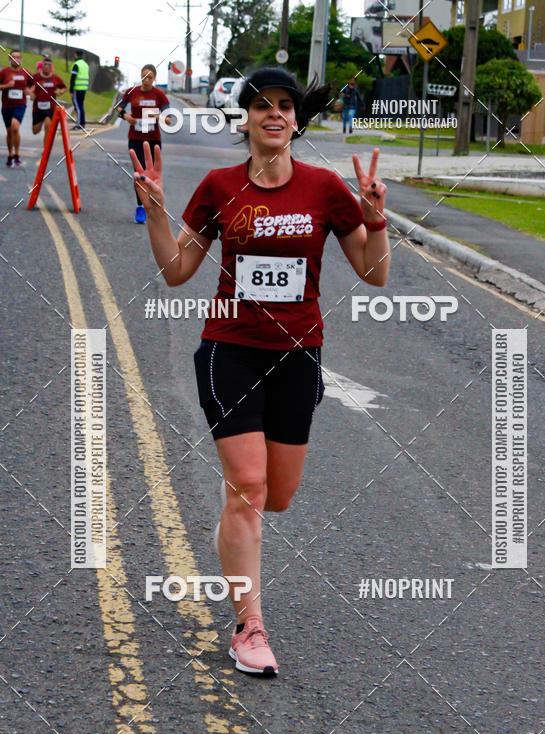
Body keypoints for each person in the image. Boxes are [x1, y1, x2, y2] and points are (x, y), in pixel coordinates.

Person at [130, 67, 390, 677]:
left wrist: (375, 216)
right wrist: (159, 211)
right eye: (261, 105)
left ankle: (234, 540)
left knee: (277, 496)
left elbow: (375, 274)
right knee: (247, 487)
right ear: (244, 118)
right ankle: (249, 626)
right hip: (230, 348)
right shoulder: (219, 187)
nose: (274, 114)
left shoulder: (325, 188)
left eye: (285, 106)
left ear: (296, 122)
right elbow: (176, 271)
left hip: (298, 356)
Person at [116, 64, 170, 224]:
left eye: (150, 77)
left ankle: (152, 205)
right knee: (139, 175)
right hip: (135, 139)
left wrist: (158, 116)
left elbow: (169, 118)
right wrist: (126, 117)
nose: (146, 80)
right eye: (144, 76)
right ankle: (140, 207)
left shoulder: (159, 95)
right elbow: (118, 108)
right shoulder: (132, 92)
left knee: (152, 176)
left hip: (153, 139)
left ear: (154, 79)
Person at [0, 49, 33, 167]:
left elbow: (33, 84)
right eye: (13, 57)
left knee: (15, 127)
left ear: (21, 59)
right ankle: (10, 155)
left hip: (20, 105)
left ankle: (17, 154)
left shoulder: (25, 72)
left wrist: (30, 91)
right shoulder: (4, 72)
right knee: (9, 132)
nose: (16, 59)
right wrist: (6, 86)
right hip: (6, 106)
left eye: (18, 57)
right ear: (9, 59)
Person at [32, 56, 66, 139]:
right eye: (45, 64)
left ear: (51, 67)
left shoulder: (55, 78)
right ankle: (42, 120)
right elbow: (27, 86)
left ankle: (45, 151)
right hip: (37, 108)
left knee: (48, 127)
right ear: (42, 66)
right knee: (35, 131)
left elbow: (64, 87)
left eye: (49, 65)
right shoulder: (35, 77)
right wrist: (31, 93)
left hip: (50, 108)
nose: (47, 66)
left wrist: (60, 92)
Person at [70, 50, 89, 130]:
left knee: (77, 107)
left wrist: (71, 90)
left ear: (75, 55)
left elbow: (73, 78)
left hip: (77, 89)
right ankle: (82, 123)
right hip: (84, 89)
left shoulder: (76, 64)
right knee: (81, 106)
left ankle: (79, 125)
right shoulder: (85, 65)